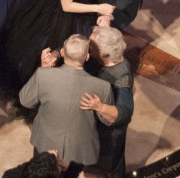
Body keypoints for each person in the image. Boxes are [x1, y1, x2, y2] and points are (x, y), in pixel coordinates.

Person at [19, 33, 114, 166]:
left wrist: (42, 69)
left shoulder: (43, 75)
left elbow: (25, 101)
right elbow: (108, 120)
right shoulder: (103, 86)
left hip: (45, 141)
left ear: (62, 52)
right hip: (80, 150)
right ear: (87, 57)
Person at [84, 26, 134, 178]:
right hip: (106, 138)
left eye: (91, 46)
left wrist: (99, 106)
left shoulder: (120, 81)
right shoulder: (118, 61)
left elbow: (124, 112)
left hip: (108, 141)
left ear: (105, 54)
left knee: (108, 174)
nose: (88, 48)